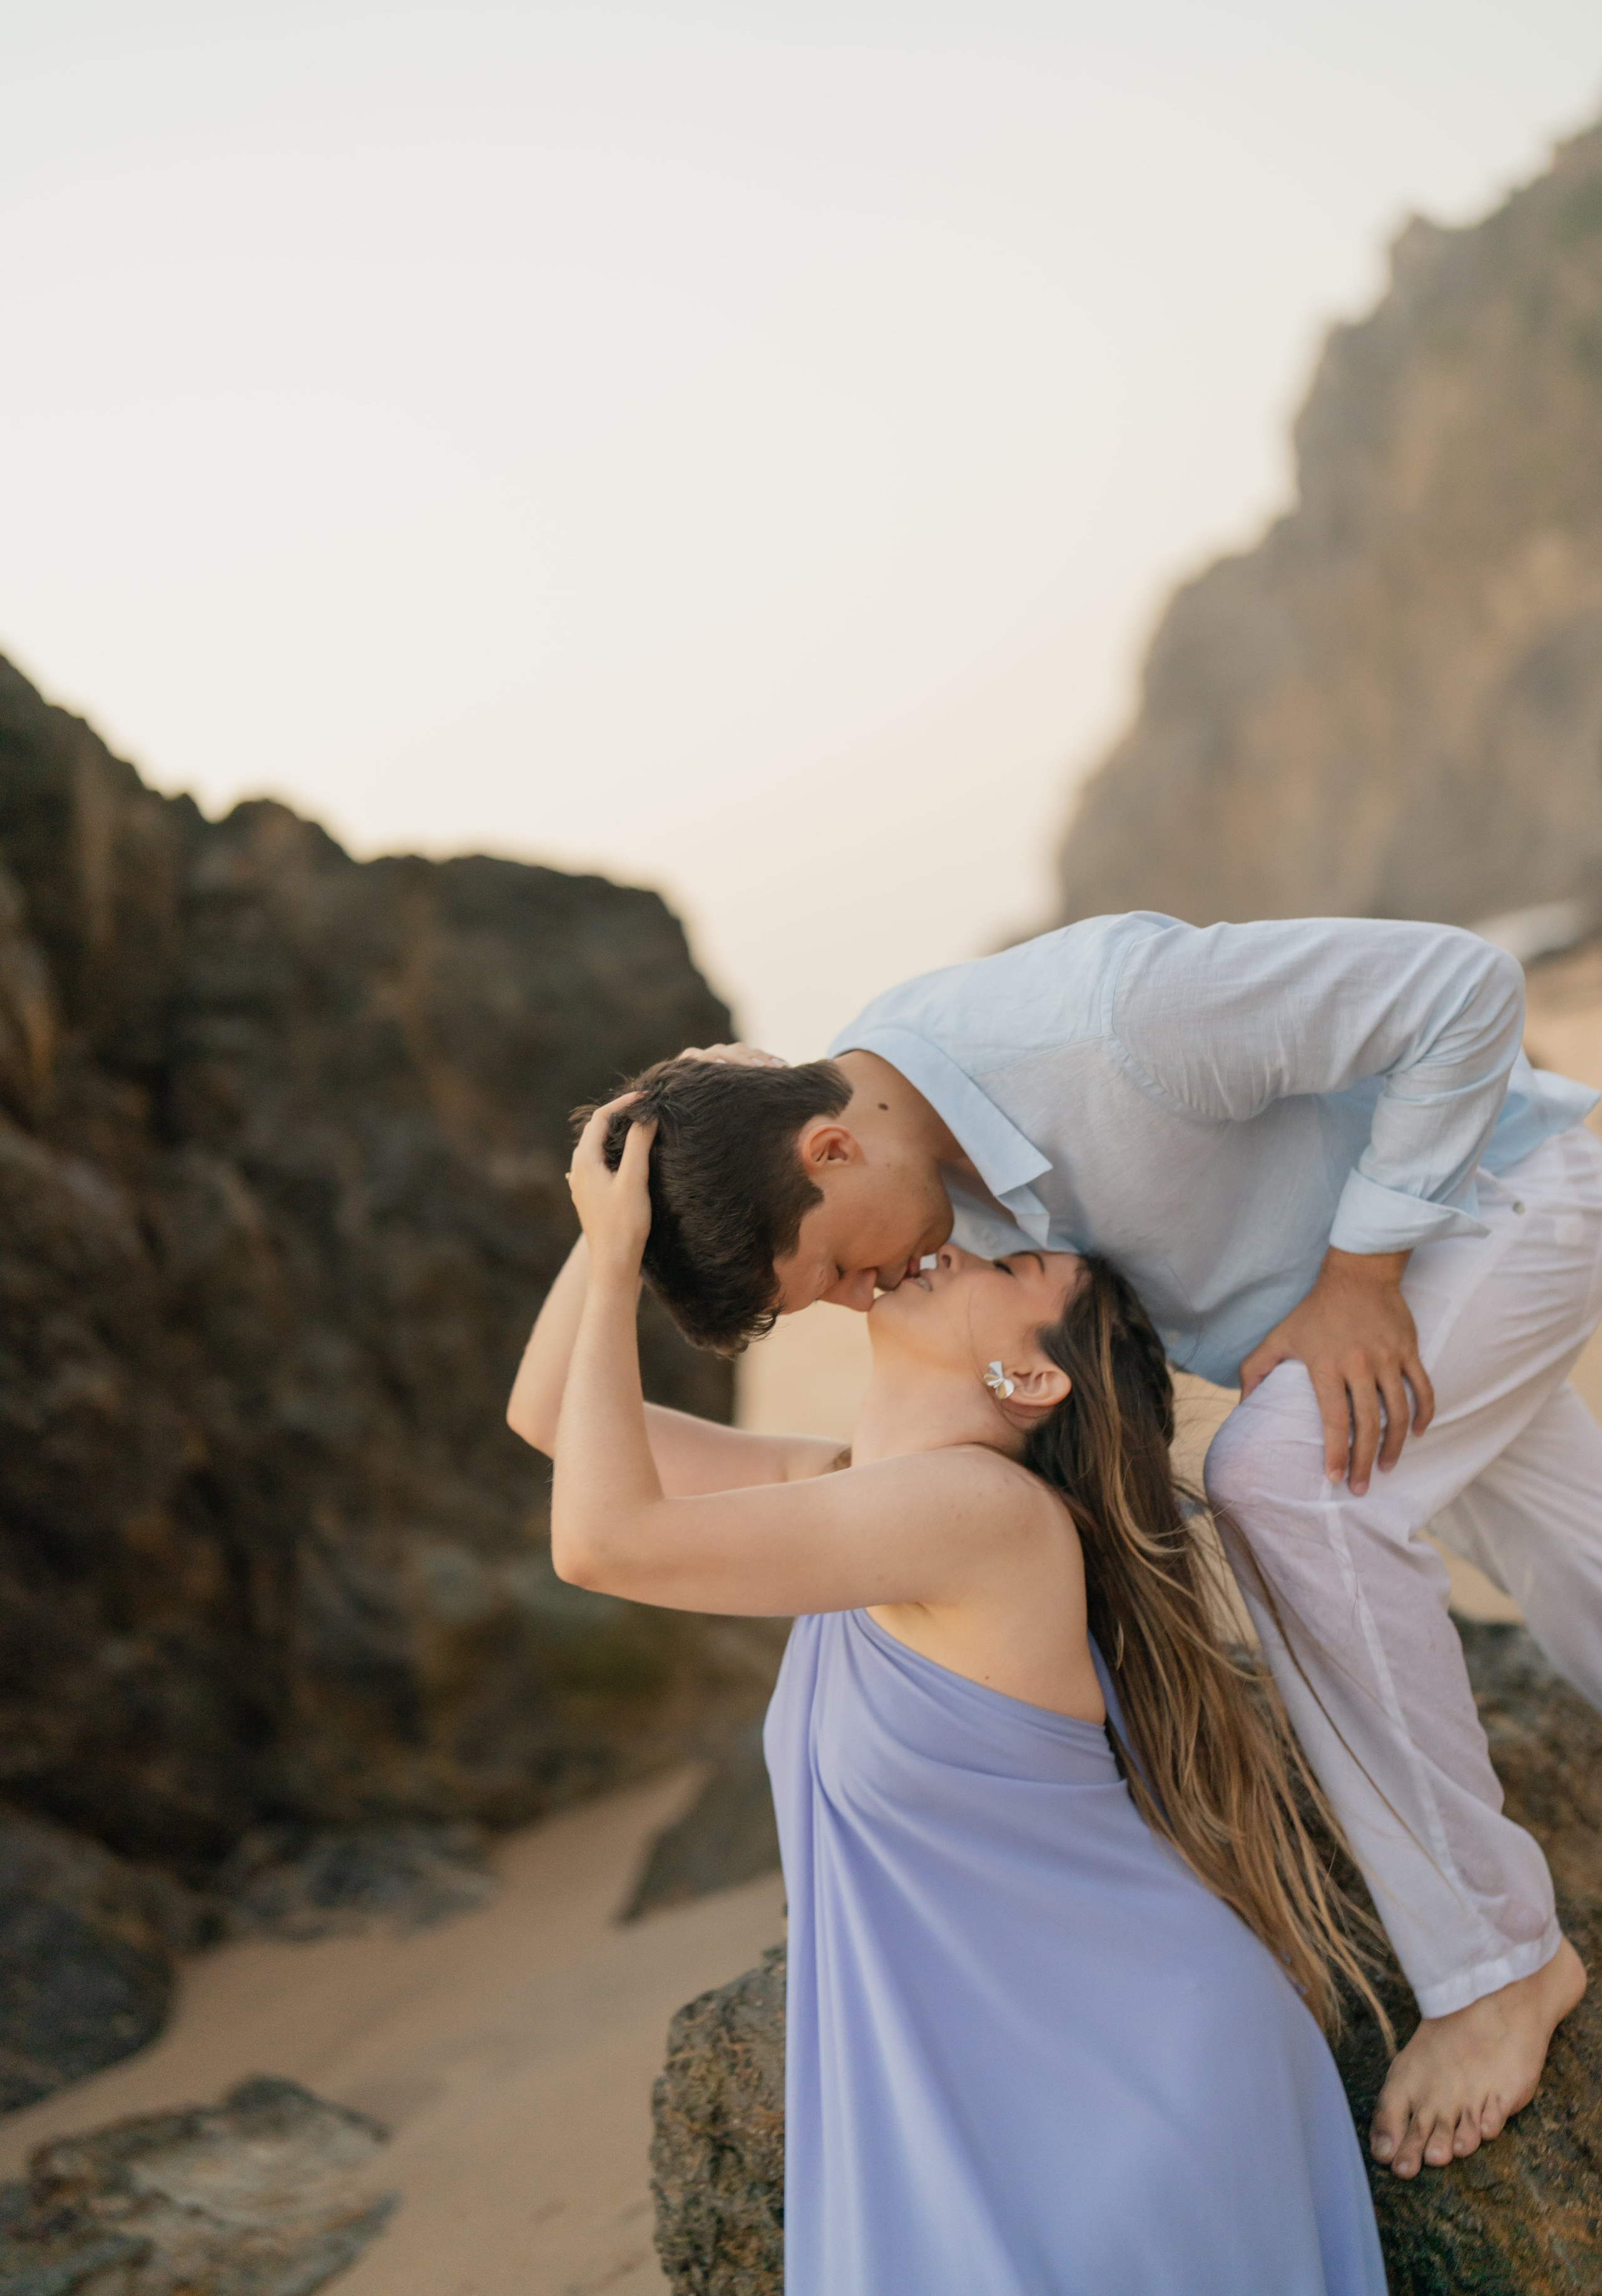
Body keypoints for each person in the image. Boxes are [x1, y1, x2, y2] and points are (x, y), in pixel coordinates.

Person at [582, 912, 1600, 2181]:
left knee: (1286, 1482)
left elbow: (1459, 986)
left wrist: (1359, 1275)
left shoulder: (1109, 1020)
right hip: (1362, 1314)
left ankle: (1498, 1964)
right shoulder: (909, 1159)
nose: (863, 1298)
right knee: (1574, 1556)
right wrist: (614, 1228)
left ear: (834, 1145)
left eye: (839, 1265)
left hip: (1493, 1204)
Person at [508, 1095, 1388, 2296]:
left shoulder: (973, 1517)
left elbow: (603, 1542)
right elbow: (554, 1418)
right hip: (1029, 2088)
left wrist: (618, 1263)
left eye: (1007, 1263)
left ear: (1028, 1373)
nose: (946, 1249)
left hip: (1123, 2100)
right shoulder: (857, 1493)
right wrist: (634, 1178)